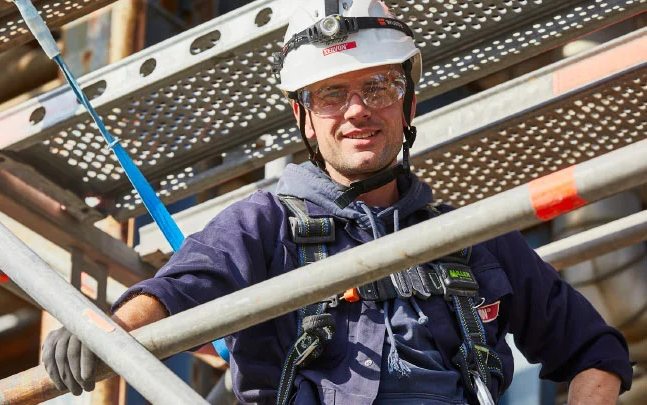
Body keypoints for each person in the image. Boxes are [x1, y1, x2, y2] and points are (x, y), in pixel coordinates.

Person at [41, 1, 633, 404]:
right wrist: (104, 328)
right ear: (303, 118)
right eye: (331, 94)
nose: (357, 111)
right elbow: (178, 291)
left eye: (377, 86)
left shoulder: (474, 238)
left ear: (409, 105)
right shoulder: (263, 225)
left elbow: (593, 350)